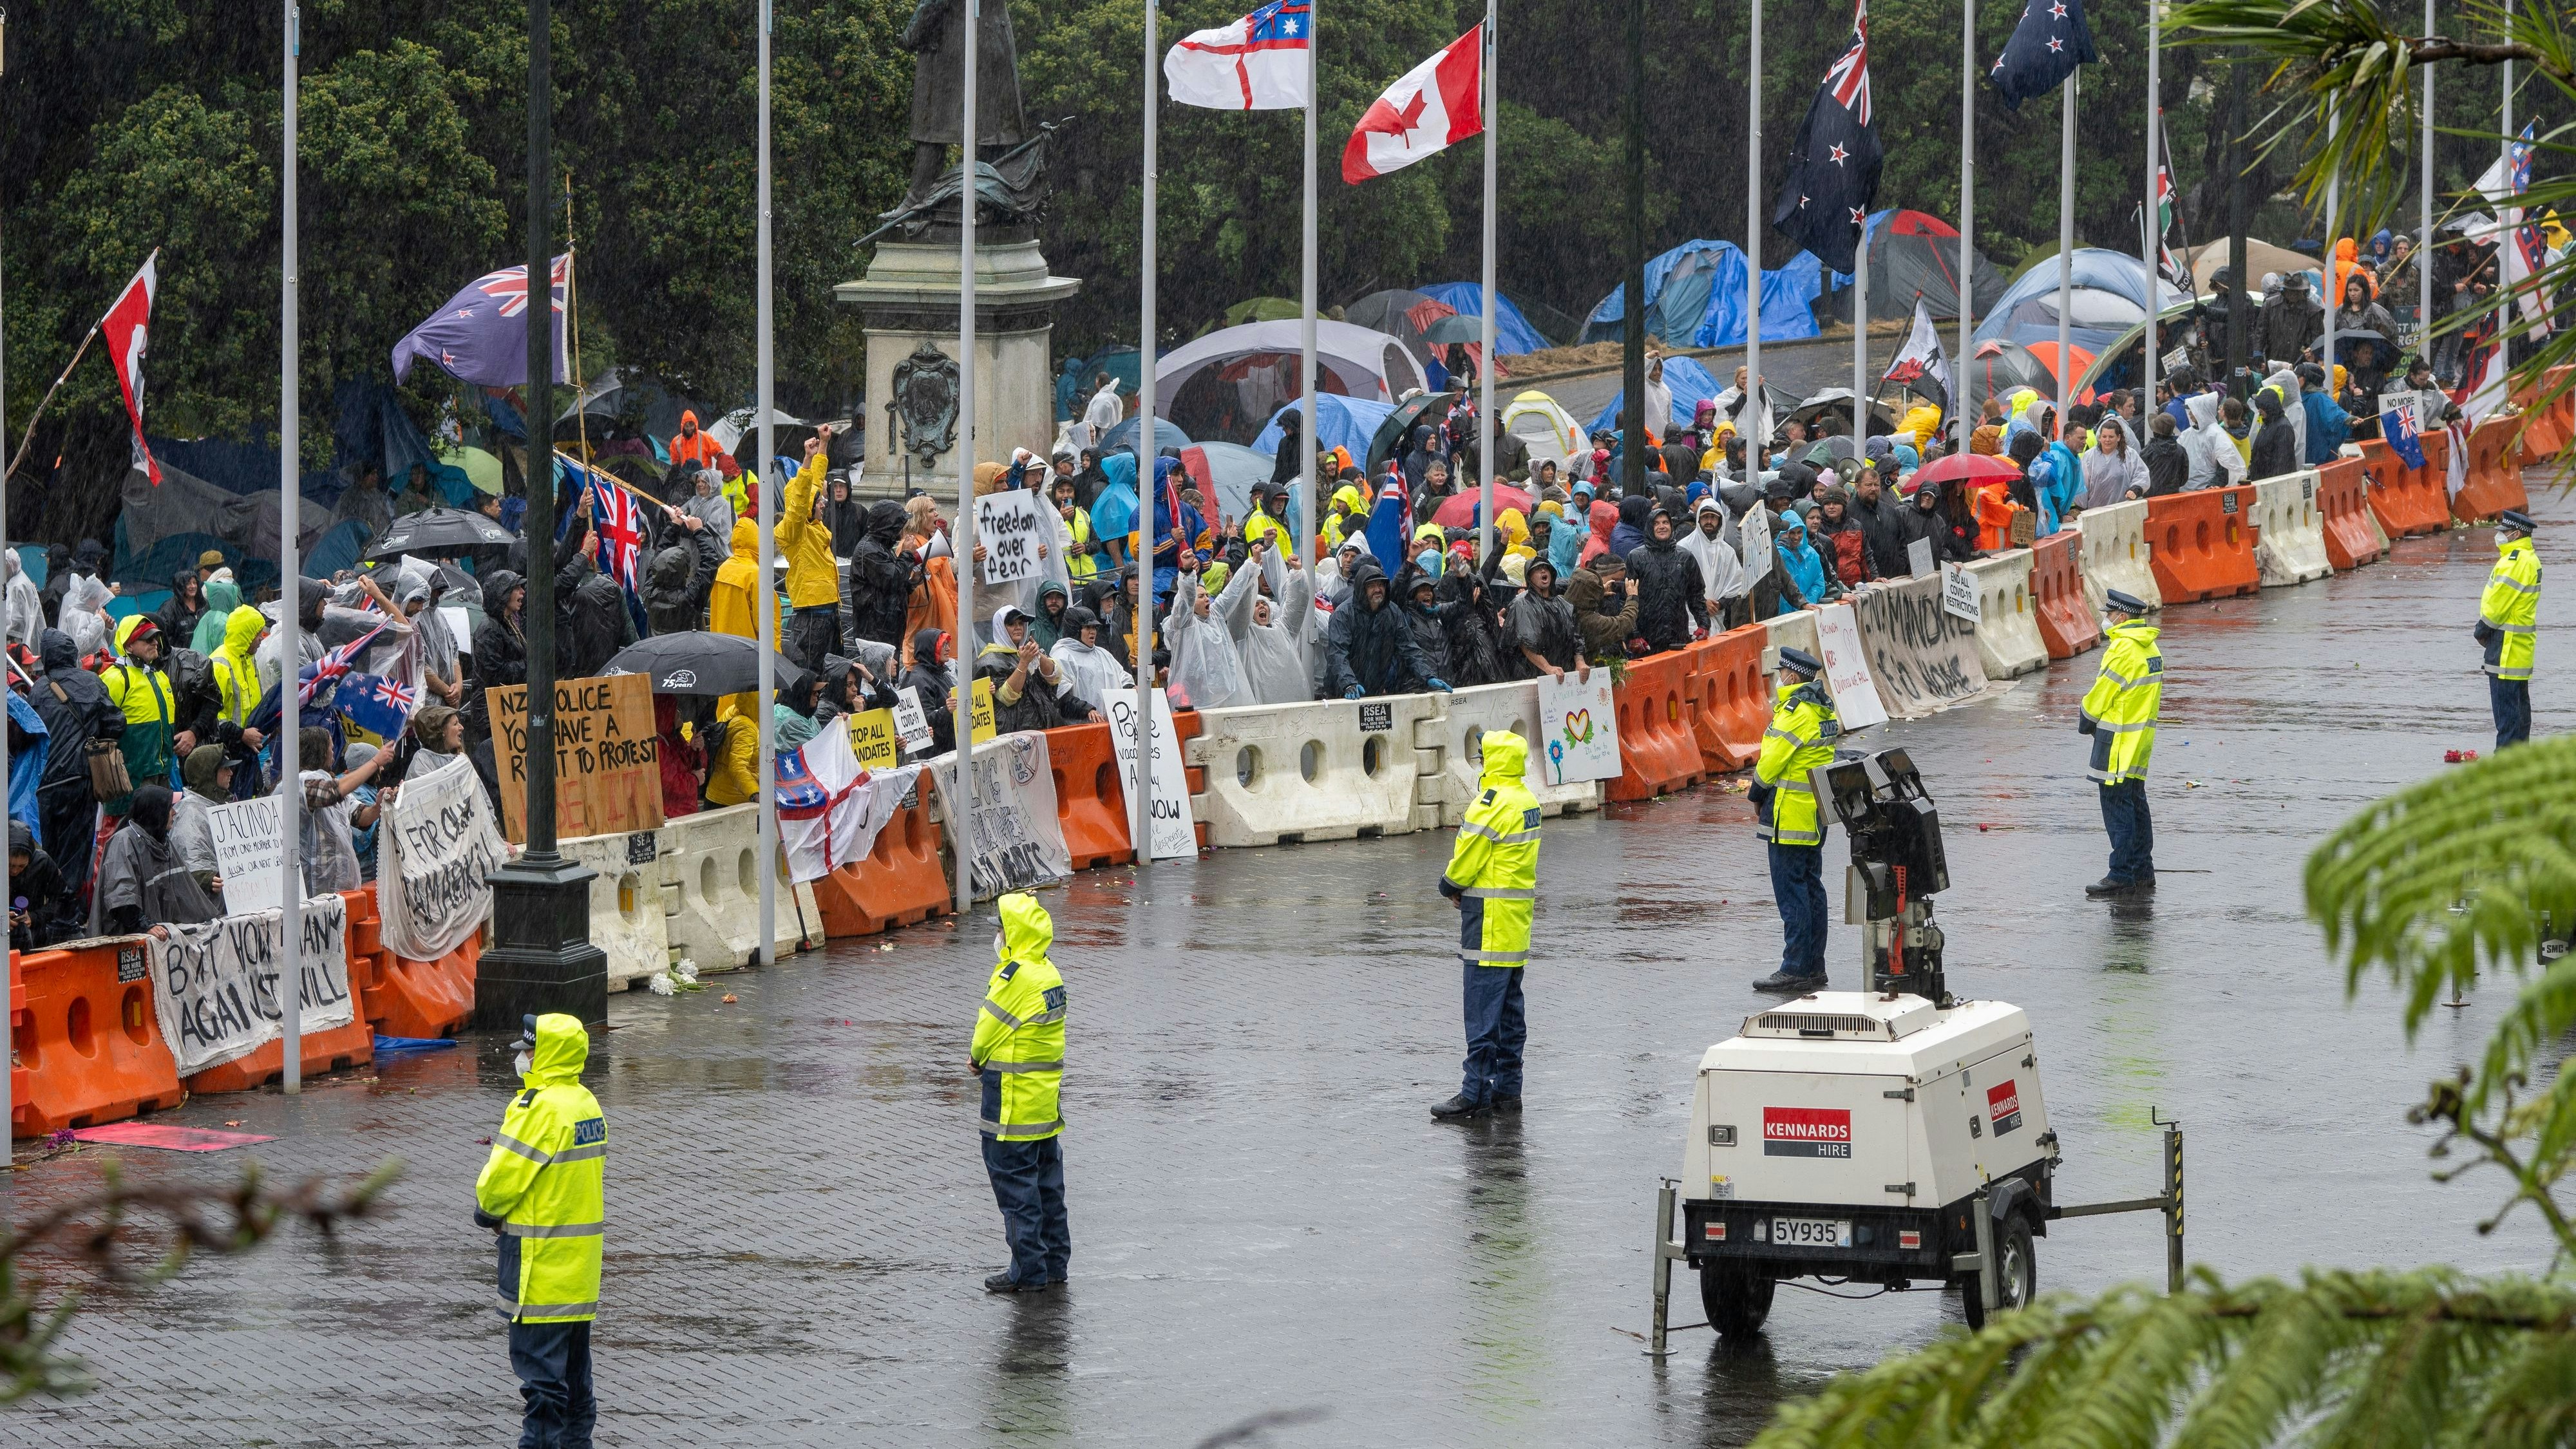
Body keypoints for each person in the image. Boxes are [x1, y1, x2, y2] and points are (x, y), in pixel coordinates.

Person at [475, 1012, 605, 1448]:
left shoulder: (538, 1109)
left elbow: (500, 1183)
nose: (523, 1058)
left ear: (545, 1055)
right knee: (576, 1387)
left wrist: (486, 1213)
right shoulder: (586, 1103)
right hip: (578, 1275)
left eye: (528, 1051)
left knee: (544, 1390)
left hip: (539, 1271)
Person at [1429, 728, 1542, 1121]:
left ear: (1492, 761)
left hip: (1488, 925)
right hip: (1515, 926)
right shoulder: (1527, 801)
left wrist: (1449, 886)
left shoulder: (1491, 803)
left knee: (1481, 1014)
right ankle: (1508, 1090)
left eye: (1482, 756)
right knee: (1510, 1013)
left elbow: (1467, 859)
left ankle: (1474, 1092)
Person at [972, 891, 1070, 1293]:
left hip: (1011, 1105)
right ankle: (1054, 1265)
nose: (996, 937)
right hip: (1043, 1103)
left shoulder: (1015, 977)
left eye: (999, 929)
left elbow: (987, 1031)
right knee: (1048, 1188)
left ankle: (1027, 1272)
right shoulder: (1049, 973)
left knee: (1017, 1191)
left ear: (1012, 933)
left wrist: (976, 1058)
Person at [1750, 647, 1841, 992]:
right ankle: (1814, 966)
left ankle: (1795, 969)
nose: (1779, 679)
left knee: (1792, 894)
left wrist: (1755, 794)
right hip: (1814, 815)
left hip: (1789, 816)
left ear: (1792, 676)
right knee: (1812, 888)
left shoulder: (1795, 712)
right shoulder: (1823, 708)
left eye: (1781, 674)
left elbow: (1771, 762)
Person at [2079, 589, 2163, 897]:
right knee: (2137, 805)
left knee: (2118, 809)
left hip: (2116, 744)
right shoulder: (2151, 648)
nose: (2106, 619)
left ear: (2123, 617)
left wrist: (2085, 716)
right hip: (2139, 743)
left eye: (2110, 614)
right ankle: (2143, 871)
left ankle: (2121, 873)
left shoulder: (2122, 649)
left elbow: (2102, 694)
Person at [91, 784, 221, 936]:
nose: (175, 812)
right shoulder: (123, 842)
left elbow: (184, 888)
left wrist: (206, 882)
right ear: (156, 812)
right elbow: (120, 900)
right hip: (125, 938)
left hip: (159, 935)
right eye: (170, 808)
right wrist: (144, 925)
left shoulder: (163, 842)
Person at [778, 428, 846, 672]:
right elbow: (800, 500)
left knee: (832, 672)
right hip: (812, 617)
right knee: (811, 673)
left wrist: (823, 445)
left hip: (827, 612)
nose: (823, 504)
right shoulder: (794, 529)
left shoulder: (812, 525)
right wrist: (807, 460)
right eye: (819, 502)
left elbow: (814, 484)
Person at [1324, 560, 1444, 698]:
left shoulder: (1392, 612)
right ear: (1362, 588)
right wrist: (1348, 683)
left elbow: (1409, 648)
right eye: (1371, 586)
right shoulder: (1343, 614)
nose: (1377, 589)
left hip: (1374, 691)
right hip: (1341, 692)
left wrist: (1427, 675)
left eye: (1381, 585)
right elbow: (1338, 653)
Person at [2477, 509, 2541, 750]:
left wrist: (2481, 630)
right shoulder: (2528, 559)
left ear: (2517, 534)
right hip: (2519, 651)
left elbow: (2498, 604)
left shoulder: (2515, 561)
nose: (2501, 536)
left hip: (2506, 648)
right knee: (2520, 719)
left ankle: (2503, 771)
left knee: (2508, 722)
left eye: (2505, 532)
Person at [299, 728, 392, 895]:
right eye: (331, 748)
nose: (333, 754)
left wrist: (378, 806)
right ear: (320, 751)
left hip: (338, 884)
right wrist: (375, 762)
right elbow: (332, 792)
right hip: (309, 886)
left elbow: (361, 817)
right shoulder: (300, 783)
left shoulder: (330, 781)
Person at [101, 618, 181, 807]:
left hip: (163, 773)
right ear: (129, 646)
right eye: (147, 639)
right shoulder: (115, 678)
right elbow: (100, 730)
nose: (155, 643)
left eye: (156, 638)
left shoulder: (160, 677)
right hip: (131, 779)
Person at [171, 744, 232, 903]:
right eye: (225, 769)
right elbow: (190, 864)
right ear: (209, 774)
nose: (231, 773)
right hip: (205, 904)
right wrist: (207, 879)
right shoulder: (191, 813)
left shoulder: (216, 804)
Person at [1048, 605, 1133, 717]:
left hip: (1111, 723)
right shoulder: (1062, 655)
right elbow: (1061, 696)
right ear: (1075, 629)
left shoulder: (1103, 654)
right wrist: (1086, 710)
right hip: (1079, 725)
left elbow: (1122, 677)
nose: (1093, 632)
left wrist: (1131, 688)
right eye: (1088, 628)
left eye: (1094, 628)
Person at [1511, 558, 1586, 682]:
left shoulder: (1565, 604)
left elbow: (1576, 636)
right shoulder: (1522, 604)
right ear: (1529, 577)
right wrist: (1547, 668)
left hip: (1566, 676)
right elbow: (1525, 642)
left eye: (1546, 568)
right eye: (1537, 569)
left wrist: (1580, 662)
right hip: (1534, 678)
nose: (1543, 571)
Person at [8, 819, 70, 952]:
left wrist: (35, 917)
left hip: (35, 939)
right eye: (10, 865)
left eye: (21, 866)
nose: (15, 871)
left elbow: (63, 900)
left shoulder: (42, 863)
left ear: (30, 860)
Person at [1567, 556, 1640, 658]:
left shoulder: (1565, 605)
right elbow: (1624, 623)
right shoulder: (1588, 620)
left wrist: (1598, 593)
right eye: (1614, 580)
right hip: (1593, 660)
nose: (1616, 584)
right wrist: (1633, 598)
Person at [2079, 417, 2151, 509]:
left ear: (2118, 438)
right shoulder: (2089, 456)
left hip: (2122, 509)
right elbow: (2082, 483)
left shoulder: (2130, 454)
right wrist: (2081, 507)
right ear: (2100, 437)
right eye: (2104, 437)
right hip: (2094, 511)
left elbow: (2142, 474)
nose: (2107, 440)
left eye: (2111, 437)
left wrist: (2135, 489)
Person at [2297, 363, 2352, 466]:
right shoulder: (2299, 397)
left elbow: (2336, 413)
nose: (2296, 379)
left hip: (2316, 452)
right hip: (2307, 450)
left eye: (2299, 376)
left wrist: (2348, 419)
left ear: (2308, 378)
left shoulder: (2319, 398)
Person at [2249, 389, 2300, 480]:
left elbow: (2282, 464)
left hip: (2272, 483)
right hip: (2262, 481)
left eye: (2262, 407)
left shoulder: (2283, 427)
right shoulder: (2267, 423)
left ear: (2270, 407)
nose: (2259, 411)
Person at [2140, 413, 2190, 497]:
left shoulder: (2147, 451)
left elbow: (2141, 477)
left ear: (2155, 431)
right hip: (2172, 497)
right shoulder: (2181, 451)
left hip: (2151, 498)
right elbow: (2183, 479)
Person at [669, 408, 728, 476]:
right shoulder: (676, 442)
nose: (689, 429)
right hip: (686, 477)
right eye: (687, 426)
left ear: (695, 425)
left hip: (704, 477)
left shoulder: (704, 437)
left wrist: (724, 462)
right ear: (683, 426)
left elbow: (717, 451)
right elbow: (675, 463)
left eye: (691, 426)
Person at [1083, 372, 1124, 451]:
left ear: (1098, 382)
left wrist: (1087, 446)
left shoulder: (1100, 399)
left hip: (1099, 445)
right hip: (1112, 442)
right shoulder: (1116, 398)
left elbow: (1096, 425)